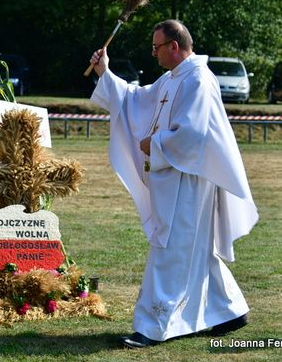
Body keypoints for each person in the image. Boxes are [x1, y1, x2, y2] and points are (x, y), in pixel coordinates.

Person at [89, 19, 258, 348]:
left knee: (170, 250)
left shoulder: (198, 80)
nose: (153, 54)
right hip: (174, 177)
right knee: (193, 250)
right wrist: (105, 74)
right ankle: (229, 310)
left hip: (190, 180)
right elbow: (136, 99)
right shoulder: (172, 79)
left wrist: (156, 143)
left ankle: (151, 326)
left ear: (175, 47)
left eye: (157, 47)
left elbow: (194, 134)